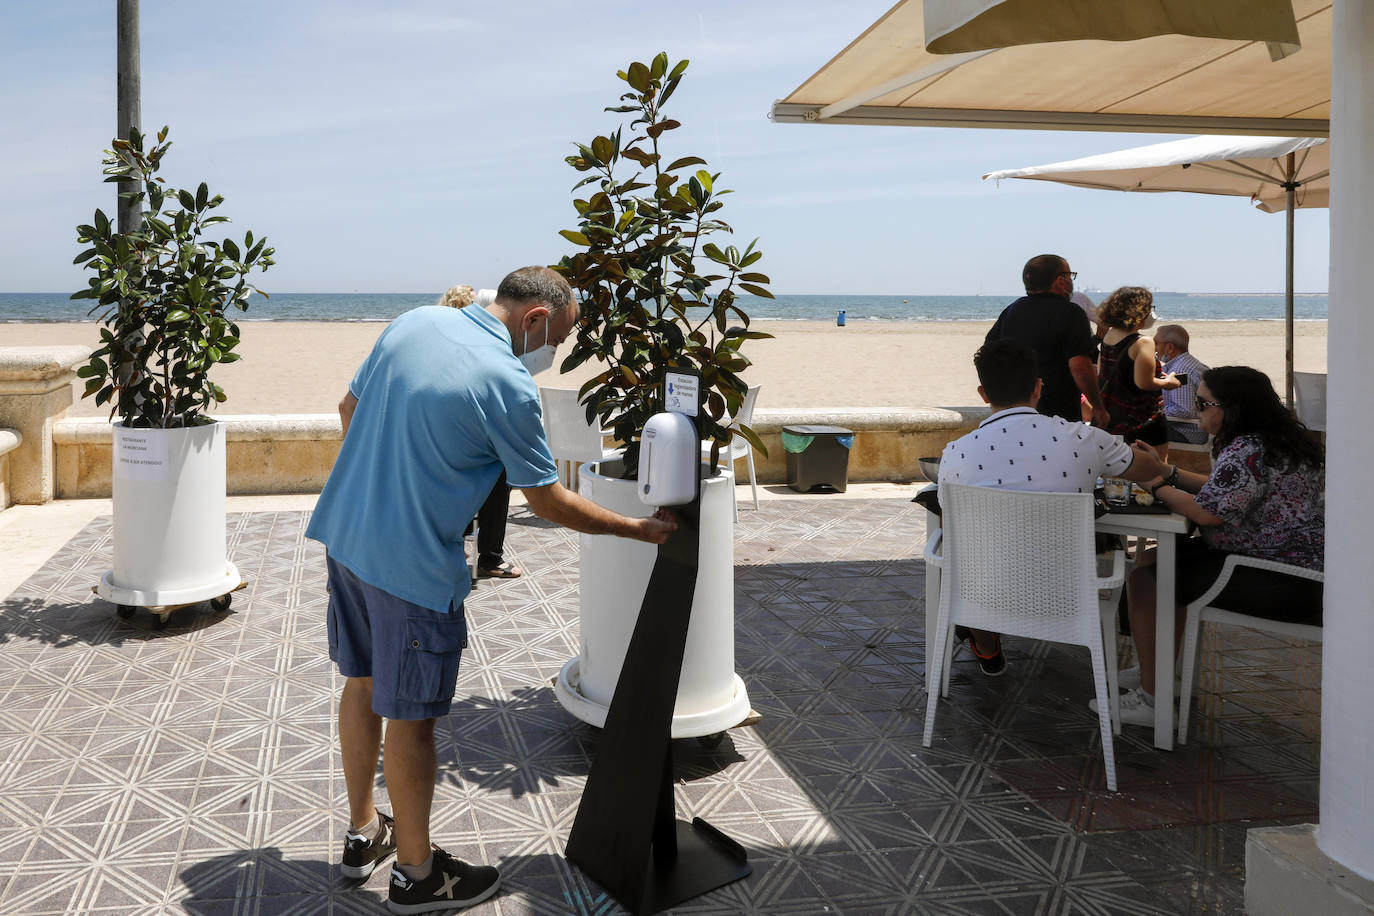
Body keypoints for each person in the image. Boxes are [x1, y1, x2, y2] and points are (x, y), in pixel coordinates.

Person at [307, 266, 677, 913]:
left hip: (347, 536)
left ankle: (365, 833)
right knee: (412, 720)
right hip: (413, 568)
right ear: (534, 318)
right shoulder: (506, 382)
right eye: (556, 340)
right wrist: (637, 529)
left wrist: (384, 490)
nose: (550, 356)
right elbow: (549, 500)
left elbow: (348, 411)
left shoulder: (415, 323)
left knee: (362, 685)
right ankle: (417, 877)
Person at [1102, 366, 1324, 727]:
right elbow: (1226, 486)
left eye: (1203, 403)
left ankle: (1152, 702)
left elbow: (1207, 513)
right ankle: (1155, 672)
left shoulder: (1247, 449)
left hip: (1278, 578)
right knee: (1152, 557)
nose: (1195, 409)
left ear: (1233, 407)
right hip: (1299, 568)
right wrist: (1167, 472)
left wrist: (1154, 482)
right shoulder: (1270, 440)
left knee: (1148, 579)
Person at [938, 339, 1168, 675]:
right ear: (1037, 389)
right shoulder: (1083, 438)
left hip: (981, 597)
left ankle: (987, 647)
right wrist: (1157, 461)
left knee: (965, 560)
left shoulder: (956, 453)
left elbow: (949, 532)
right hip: (1067, 597)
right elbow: (1148, 469)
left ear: (983, 394)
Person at [985, 254, 1108, 426]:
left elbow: (988, 355)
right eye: (1070, 275)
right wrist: (1098, 406)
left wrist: (998, 399)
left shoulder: (1011, 310)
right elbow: (1080, 366)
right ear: (1061, 281)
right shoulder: (1071, 313)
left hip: (1017, 411)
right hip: (1059, 412)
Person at [1095, 287, 1182, 455]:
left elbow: (1107, 370)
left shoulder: (1109, 336)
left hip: (1114, 413)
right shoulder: (1143, 342)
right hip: (1143, 418)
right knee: (1156, 469)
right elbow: (1144, 382)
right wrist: (1169, 382)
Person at [1154, 324, 1211, 445]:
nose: (1153, 348)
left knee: (1139, 430)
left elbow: (1184, 410)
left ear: (1170, 347)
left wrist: (1157, 411)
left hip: (1187, 433)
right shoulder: (1191, 363)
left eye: (1156, 343)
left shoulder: (1180, 370)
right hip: (1198, 430)